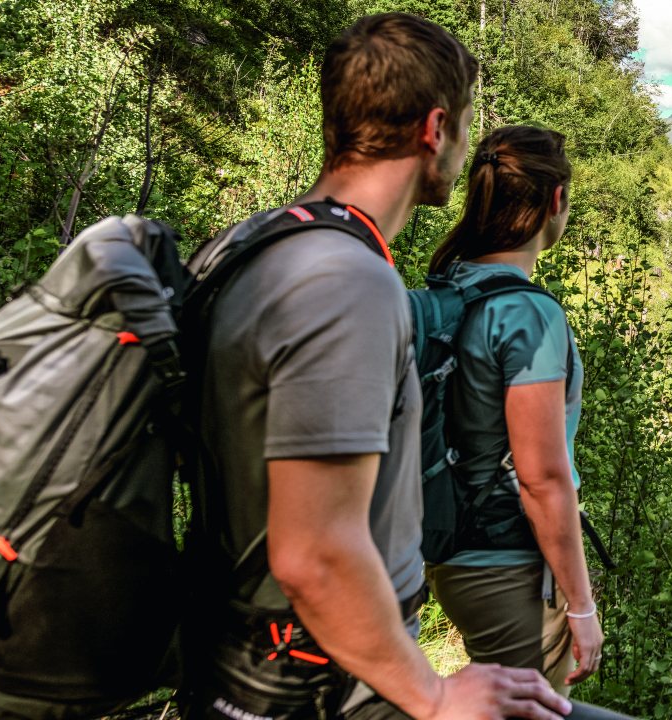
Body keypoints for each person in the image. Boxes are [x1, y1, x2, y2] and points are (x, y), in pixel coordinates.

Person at [183, 14, 571, 720]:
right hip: (316, 681)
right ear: (434, 130)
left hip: (236, 653)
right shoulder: (346, 282)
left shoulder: (251, 245)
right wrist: (433, 694)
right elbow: (316, 554)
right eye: (463, 130)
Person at [422, 126, 603, 696]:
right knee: (535, 708)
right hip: (511, 565)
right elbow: (543, 478)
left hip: (449, 551)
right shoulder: (529, 314)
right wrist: (580, 605)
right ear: (556, 202)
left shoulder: (445, 291)